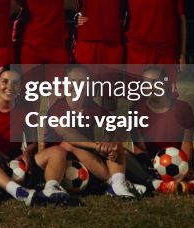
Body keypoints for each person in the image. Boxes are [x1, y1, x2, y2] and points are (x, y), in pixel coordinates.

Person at [0, 65, 71, 205]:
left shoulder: (25, 108)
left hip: (16, 163)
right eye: (5, 82)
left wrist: (27, 153)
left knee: (58, 151)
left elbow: (33, 143)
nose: (10, 86)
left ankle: (51, 189)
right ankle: (17, 191)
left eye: (15, 83)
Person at [42, 65, 146, 199]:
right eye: (72, 81)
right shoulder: (58, 108)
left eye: (82, 82)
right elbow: (67, 134)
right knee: (70, 144)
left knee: (115, 145)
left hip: (87, 163)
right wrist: (97, 146)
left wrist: (111, 143)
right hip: (59, 163)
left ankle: (119, 184)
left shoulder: (91, 106)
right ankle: (113, 182)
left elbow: (121, 127)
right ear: (64, 84)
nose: (77, 86)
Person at [129, 66, 194, 193]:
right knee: (122, 156)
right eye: (145, 83)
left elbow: (186, 145)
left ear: (166, 84)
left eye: (155, 82)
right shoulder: (136, 110)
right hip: (150, 165)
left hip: (180, 161)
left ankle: (193, 185)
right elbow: (139, 149)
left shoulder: (183, 108)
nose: (150, 87)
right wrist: (156, 167)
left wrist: (185, 166)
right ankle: (157, 183)